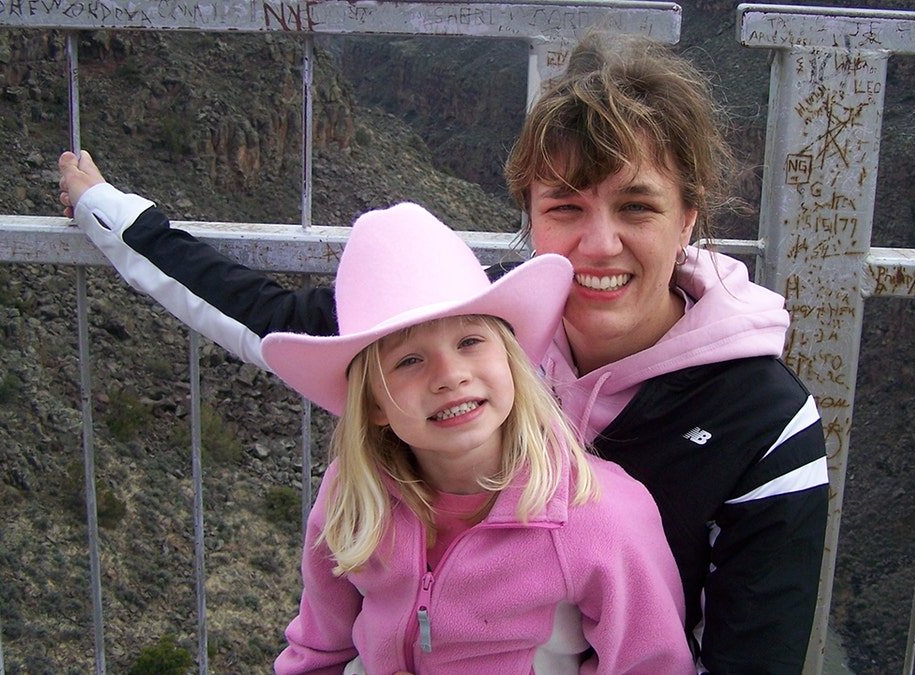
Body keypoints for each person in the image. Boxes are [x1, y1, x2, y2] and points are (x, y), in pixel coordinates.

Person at [59, 31, 829, 674]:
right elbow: (272, 317)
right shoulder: (467, 325)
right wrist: (111, 212)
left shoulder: (764, 418)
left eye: (638, 206)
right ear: (530, 213)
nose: (600, 243)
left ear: (689, 214)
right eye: (566, 206)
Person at [262, 202, 694, 672]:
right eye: (409, 360)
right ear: (374, 406)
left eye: (470, 342)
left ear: (511, 361)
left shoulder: (594, 514)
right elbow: (319, 649)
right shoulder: (353, 498)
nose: (450, 377)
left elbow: (651, 663)